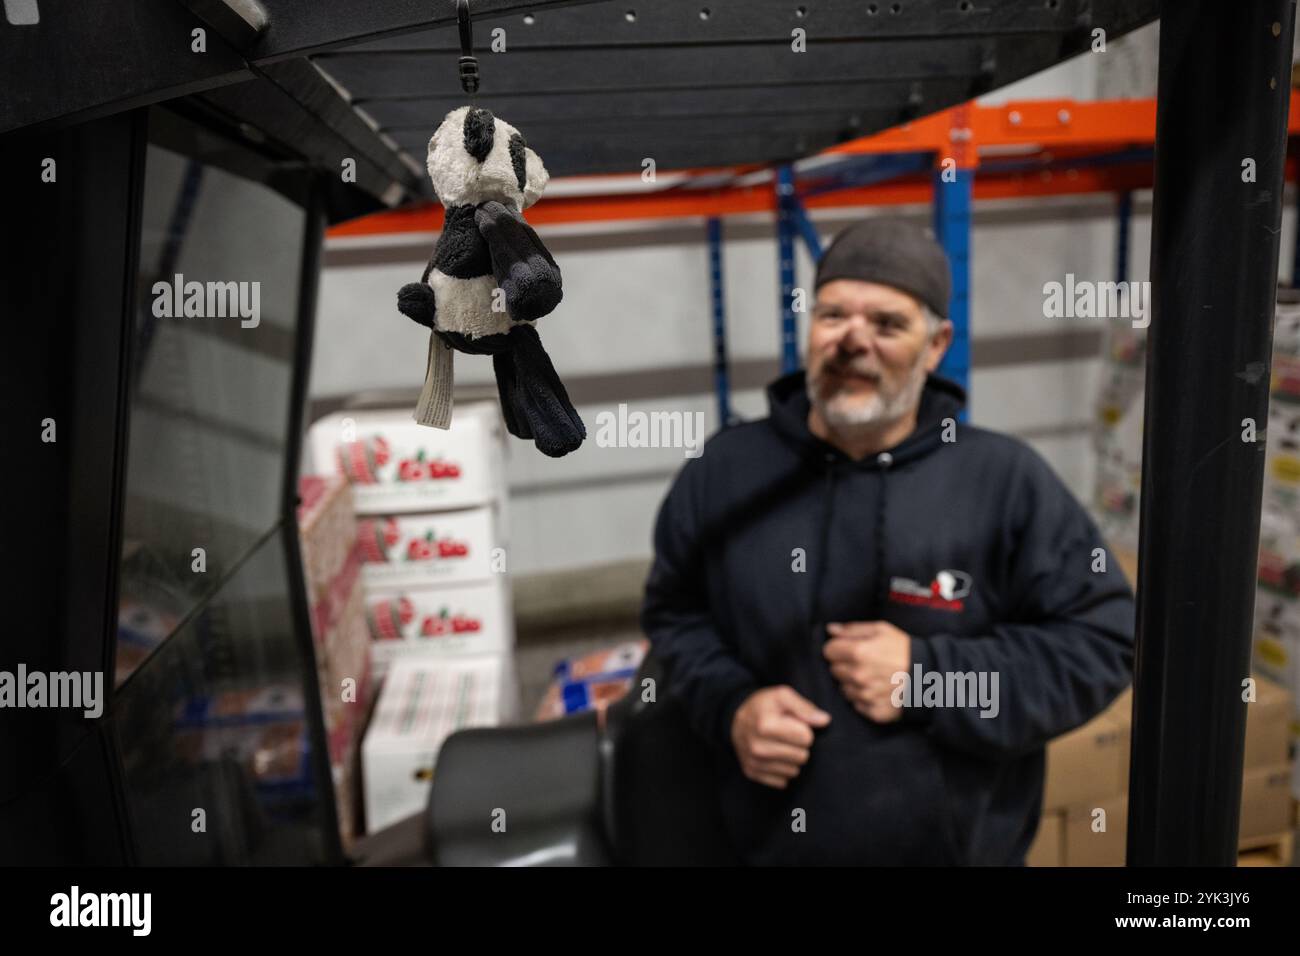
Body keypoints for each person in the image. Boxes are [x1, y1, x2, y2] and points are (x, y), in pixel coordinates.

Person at [640, 218, 1135, 865]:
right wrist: (732, 706)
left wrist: (932, 679)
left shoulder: (1003, 482)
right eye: (833, 315)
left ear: (936, 346)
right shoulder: (724, 472)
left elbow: (1102, 641)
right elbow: (676, 614)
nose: (853, 341)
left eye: (887, 324)